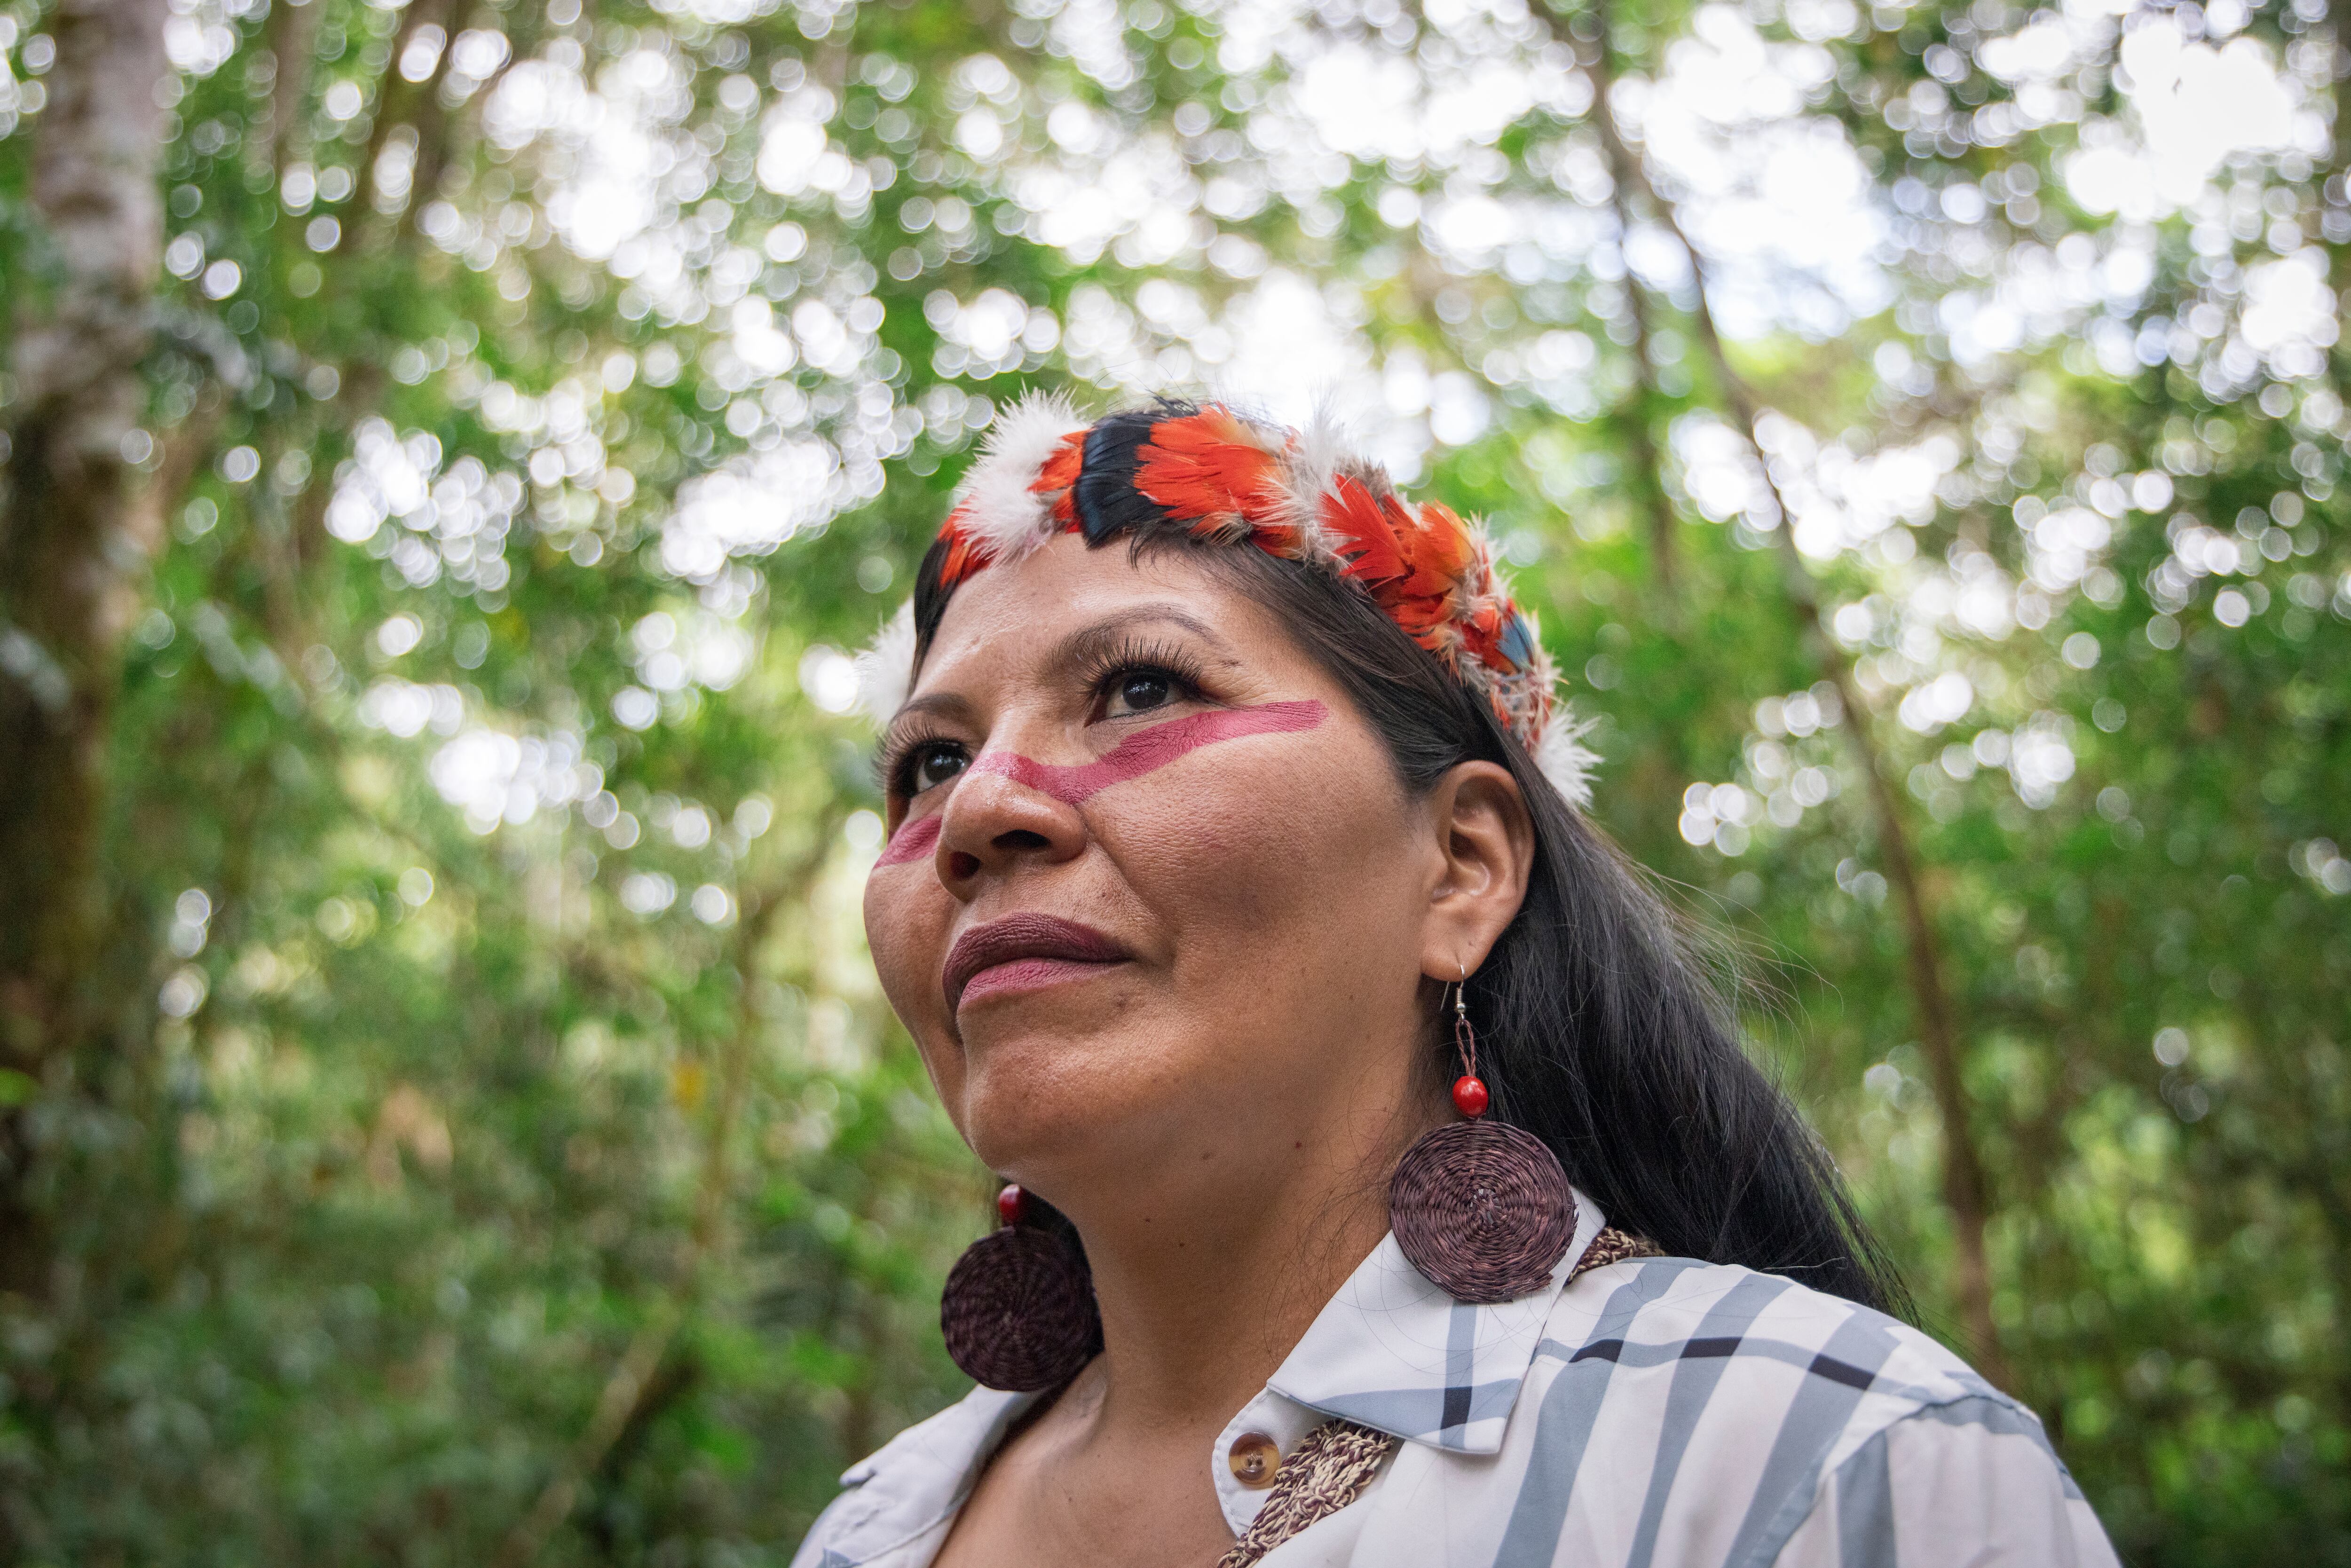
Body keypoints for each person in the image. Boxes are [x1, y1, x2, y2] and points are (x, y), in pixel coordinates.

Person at [797, 394, 2119, 1568]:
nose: (980, 809)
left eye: (1142, 687)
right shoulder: (875, 1528)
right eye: (928, 762)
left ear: (1463, 869)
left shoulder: (1828, 1467)